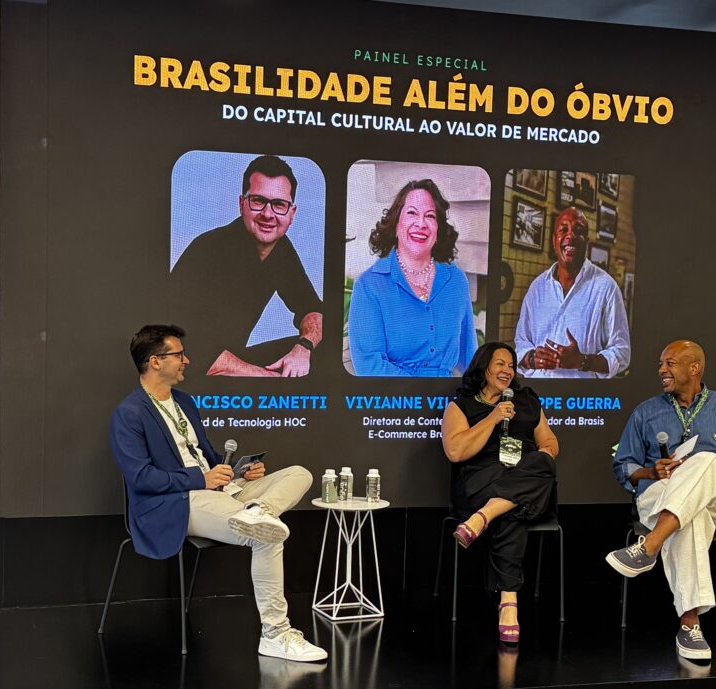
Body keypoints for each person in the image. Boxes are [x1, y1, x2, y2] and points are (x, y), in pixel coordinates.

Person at [109, 324, 326, 662]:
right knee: (267, 537)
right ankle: (275, 634)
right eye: (178, 355)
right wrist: (201, 480)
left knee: (299, 474)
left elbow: (209, 458)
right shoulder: (129, 414)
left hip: (224, 492)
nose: (187, 360)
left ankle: (258, 509)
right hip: (177, 502)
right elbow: (140, 478)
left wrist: (240, 470)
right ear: (155, 361)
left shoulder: (184, 402)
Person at [607, 340, 716, 662]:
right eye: (661, 364)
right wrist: (652, 470)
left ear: (694, 368)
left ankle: (648, 546)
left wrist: (710, 466)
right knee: (690, 521)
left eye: (670, 363)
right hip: (660, 493)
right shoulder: (646, 412)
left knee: (705, 459)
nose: (662, 370)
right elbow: (624, 466)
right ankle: (690, 624)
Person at [441, 342, 559, 643]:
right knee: (515, 507)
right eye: (500, 364)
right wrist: (493, 418)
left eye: (511, 365)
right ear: (483, 367)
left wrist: (537, 461)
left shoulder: (528, 401)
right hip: (482, 481)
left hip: (526, 478)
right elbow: (455, 452)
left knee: (542, 464)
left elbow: (549, 443)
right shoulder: (461, 406)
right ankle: (509, 603)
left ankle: (486, 516)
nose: (508, 371)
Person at [170, 155, 322, 377]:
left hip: (235, 360)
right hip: (189, 372)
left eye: (279, 204)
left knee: (324, 349)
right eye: (258, 201)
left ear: (292, 213)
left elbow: (312, 308)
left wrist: (304, 348)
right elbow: (182, 347)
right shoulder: (207, 249)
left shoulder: (281, 249)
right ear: (242, 204)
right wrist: (265, 377)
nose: (268, 214)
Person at [348, 179, 478, 377]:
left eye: (430, 216)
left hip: (447, 403)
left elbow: (471, 359)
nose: (421, 224)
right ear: (396, 223)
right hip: (394, 402)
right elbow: (369, 365)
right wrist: (421, 395)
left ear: (438, 228)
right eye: (412, 213)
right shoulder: (369, 286)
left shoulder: (456, 281)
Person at [514, 206, 630, 378]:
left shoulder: (607, 288)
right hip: (538, 397)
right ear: (554, 240)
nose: (570, 236)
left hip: (582, 399)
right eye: (563, 230)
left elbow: (622, 354)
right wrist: (532, 358)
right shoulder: (537, 288)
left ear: (587, 242)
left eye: (579, 231)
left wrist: (582, 361)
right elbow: (521, 344)